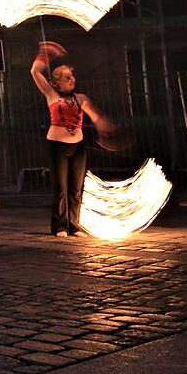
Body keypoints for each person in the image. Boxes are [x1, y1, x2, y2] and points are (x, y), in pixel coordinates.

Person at [31, 41, 108, 238]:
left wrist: (105, 133)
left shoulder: (80, 98)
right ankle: (60, 227)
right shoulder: (51, 95)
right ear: (56, 82)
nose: (72, 79)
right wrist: (44, 54)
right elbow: (35, 72)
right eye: (67, 77)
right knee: (61, 188)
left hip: (78, 147)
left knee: (76, 188)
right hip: (57, 146)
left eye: (72, 76)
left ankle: (74, 225)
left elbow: (96, 117)